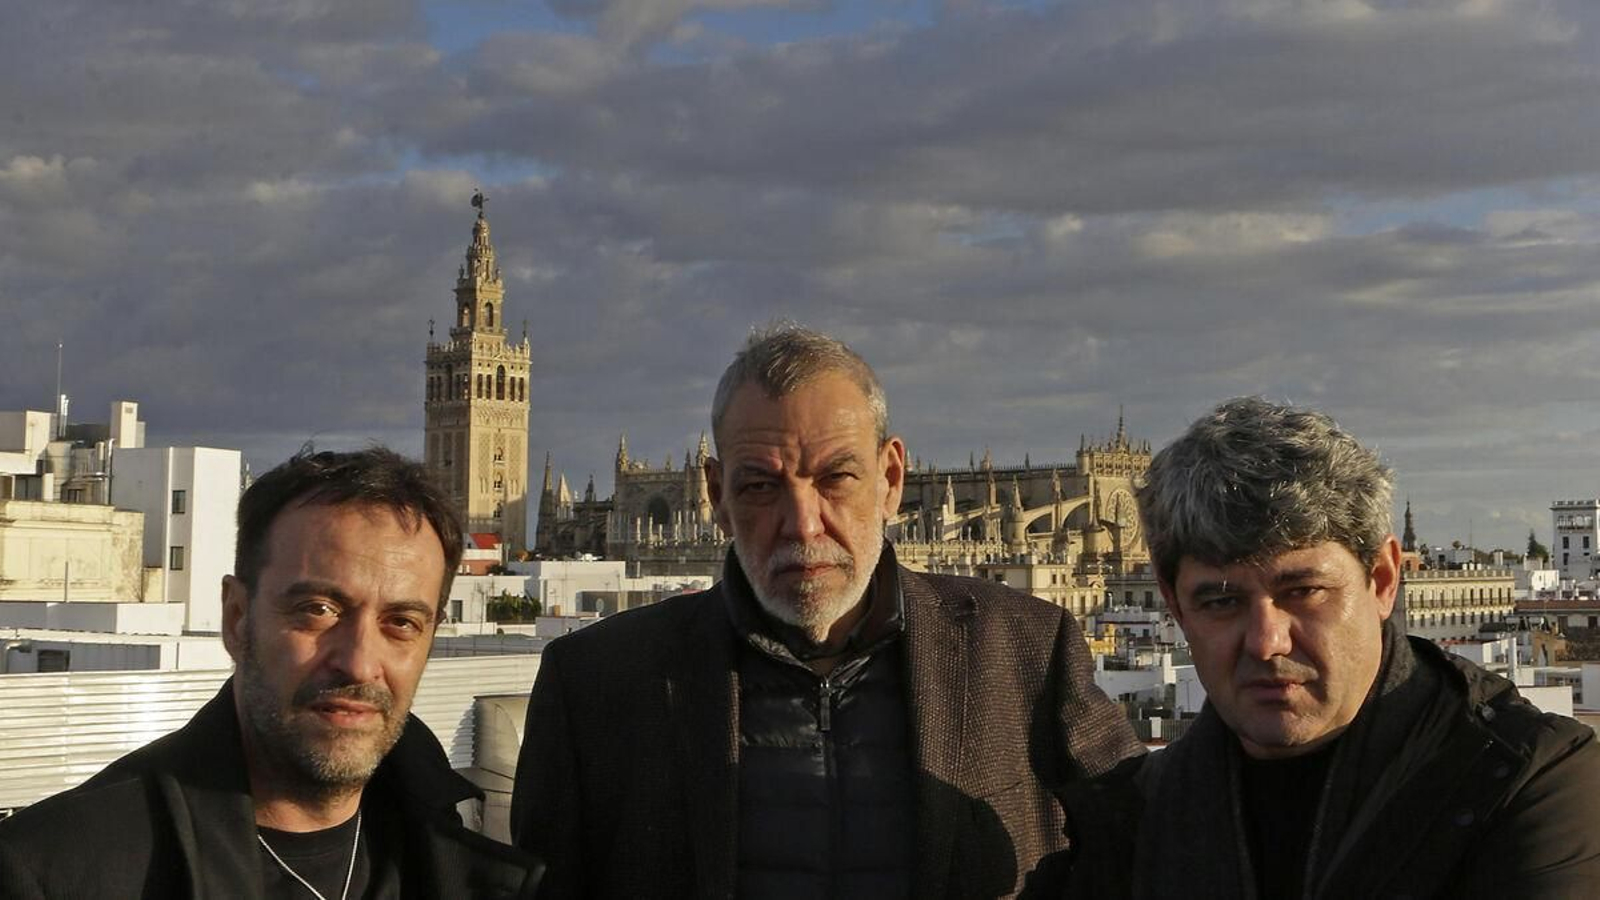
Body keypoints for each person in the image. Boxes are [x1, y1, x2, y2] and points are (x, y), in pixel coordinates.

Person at [511, 325, 1143, 899]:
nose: (802, 523)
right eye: (760, 486)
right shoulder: (596, 683)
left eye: (837, 478)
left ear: (893, 479)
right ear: (715, 497)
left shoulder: (1024, 650)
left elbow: (1151, 843)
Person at [1036, 397, 1600, 899]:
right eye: (1221, 602)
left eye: (1303, 591)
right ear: (1174, 605)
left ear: (1381, 580)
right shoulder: (1129, 817)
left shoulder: (1533, 780)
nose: (1266, 640)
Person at [0, 448, 544, 899]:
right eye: (317, 610)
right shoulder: (55, 873)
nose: (357, 661)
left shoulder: (473, 873)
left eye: (401, 622)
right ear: (237, 618)